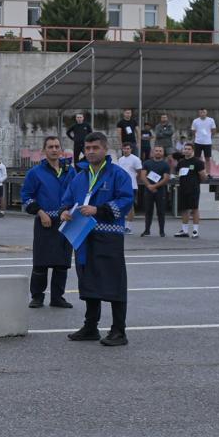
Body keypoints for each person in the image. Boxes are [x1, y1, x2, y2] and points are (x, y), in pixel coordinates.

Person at [61, 132, 136, 347]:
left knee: (114, 282)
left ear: (105, 149)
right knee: (88, 281)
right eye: (88, 148)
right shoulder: (79, 176)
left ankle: (119, 331)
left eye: (95, 147)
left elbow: (126, 200)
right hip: (83, 237)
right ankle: (91, 326)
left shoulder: (117, 175)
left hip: (108, 236)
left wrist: (98, 209)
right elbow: (67, 200)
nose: (91, 151)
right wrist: (65, 211)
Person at [20, 135, 74, 309]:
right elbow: (26, 196)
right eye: (50, 146)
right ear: (44, 150)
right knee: (41, 262)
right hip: (44, 222)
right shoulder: (35, 173)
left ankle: (58, 297)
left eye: (57, 146)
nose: (54, 149)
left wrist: (70, 210)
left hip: (66, 222)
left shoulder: (70, 171)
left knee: (62, 262)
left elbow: (77, 193)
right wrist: (40, 212)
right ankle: (37, 296)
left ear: (61, 150)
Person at [171, 143, 207, 238]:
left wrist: (196, 182)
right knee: (184, 209)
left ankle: (195, 231)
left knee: (194, 209)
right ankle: (184, 230)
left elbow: (203, 176)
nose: (186, 150)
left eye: (189, 149)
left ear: (192, 150)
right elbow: (179, 174)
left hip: (194, 189)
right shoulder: (181, 162)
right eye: (185, 149)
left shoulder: (198, 162)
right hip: (183, 188)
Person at [139, 145, 172, 237]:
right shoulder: (147, 163)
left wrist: (154, 186)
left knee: (161, 212)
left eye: (160, 151)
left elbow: (166, 178)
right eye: (156, 150)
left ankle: (162, 231)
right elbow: (142, 175)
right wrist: (149, 186)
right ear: (153, 152)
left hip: (160, 191)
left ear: (163, 153)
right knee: (148, 211)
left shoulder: (165, 165)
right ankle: (147, 230)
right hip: (148, 190)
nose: (158, 152)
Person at [114, 144, 142, 218]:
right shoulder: (120, 159)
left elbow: (139, 171)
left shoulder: (135, 159)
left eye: (128, 149)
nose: (126, 150)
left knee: (130, 205)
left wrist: (136, 180)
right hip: (121, 185)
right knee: (121, 204)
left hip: (132, 185)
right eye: (124, 149)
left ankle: (128, 226)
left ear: (131, 149)